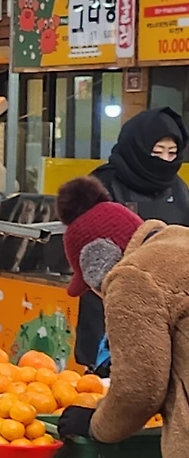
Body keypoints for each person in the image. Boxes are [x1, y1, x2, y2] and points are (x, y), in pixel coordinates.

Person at [54, 175, 189, 458]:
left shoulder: (132, 277)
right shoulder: (179, 242)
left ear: (99, 260)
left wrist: (94, 424)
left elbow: (139, 390)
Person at [74, 108, 189, 368]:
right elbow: (87, 252)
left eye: (172, 153)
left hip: (166, 308)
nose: (165, 161)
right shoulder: (102, 184)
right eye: (157, 152)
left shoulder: (178, 189)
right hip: (110, 304)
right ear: (138, 147)